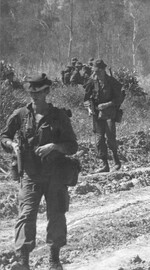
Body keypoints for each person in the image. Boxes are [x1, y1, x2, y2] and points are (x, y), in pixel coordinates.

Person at [0, 73, 78, 270]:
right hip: (30, 174)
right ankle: (23, 262)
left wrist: (54, 146)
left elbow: (72, 146)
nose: (35, 97)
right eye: (31, 93)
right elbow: (4, 136)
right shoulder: (20, 115)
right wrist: (12, 145)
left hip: (55, 175)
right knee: (25, 216)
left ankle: (54, 260)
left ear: (47, 92)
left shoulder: (59, 116)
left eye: (39, 93)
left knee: (56, 215)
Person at [84, 59, 123, 173]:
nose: (95, 74)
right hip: (96, 114)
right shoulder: (92, 82)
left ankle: (116, 162)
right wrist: (89, 108)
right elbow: (86, 99)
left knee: (111, 138)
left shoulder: (112, 82)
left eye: (97, 72)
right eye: (94, 72)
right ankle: (105, 164)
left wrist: (107, 104)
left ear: (102, 70)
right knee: (99, 140)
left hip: (109, 113)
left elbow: (119, 98)